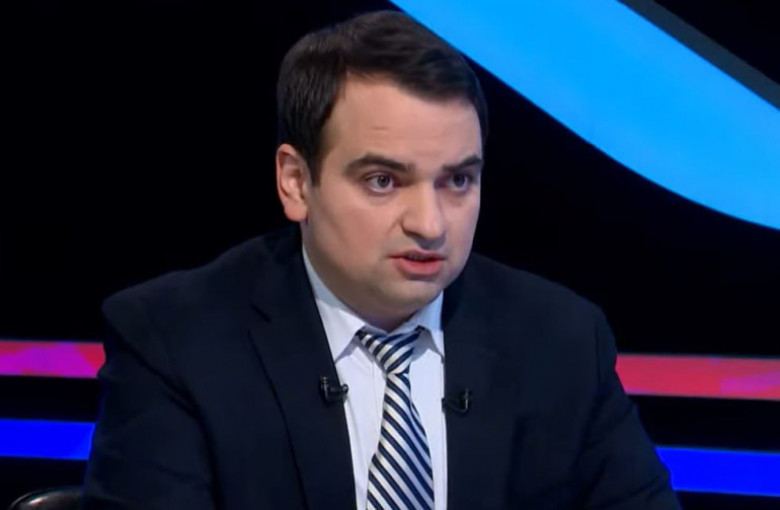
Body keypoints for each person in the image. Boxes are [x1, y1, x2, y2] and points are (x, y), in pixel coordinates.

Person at [82, 9, 681, 510]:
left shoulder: (561, 340)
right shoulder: (176, 342)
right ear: (296, 182)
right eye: (383, 181)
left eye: (458, 181)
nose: (430, 224)